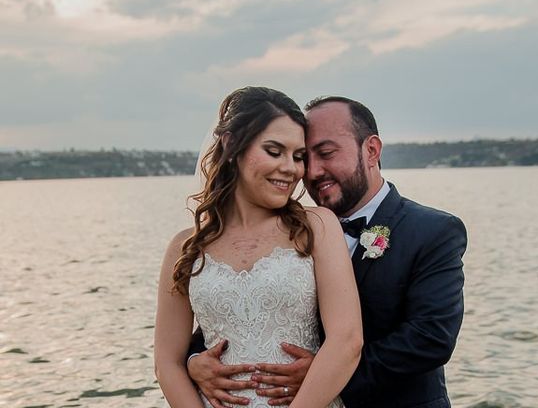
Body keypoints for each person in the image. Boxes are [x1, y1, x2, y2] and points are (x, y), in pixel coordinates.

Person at [188, 96, 467, 408]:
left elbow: (431, 338)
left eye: (326, 153)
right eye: (306, 157)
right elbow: (240, 311)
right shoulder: (294, 233)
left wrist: (323, 374)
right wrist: (194, 360)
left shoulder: (433, 231)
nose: (313, 171)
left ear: (371, 150)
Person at [154, 87, 363, 408]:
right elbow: (167, 361)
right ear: (231, 145)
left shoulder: (317, 227)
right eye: (274, 151)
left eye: (298, 156)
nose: (291, 169)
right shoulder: (186, 247)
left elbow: (347, 340)